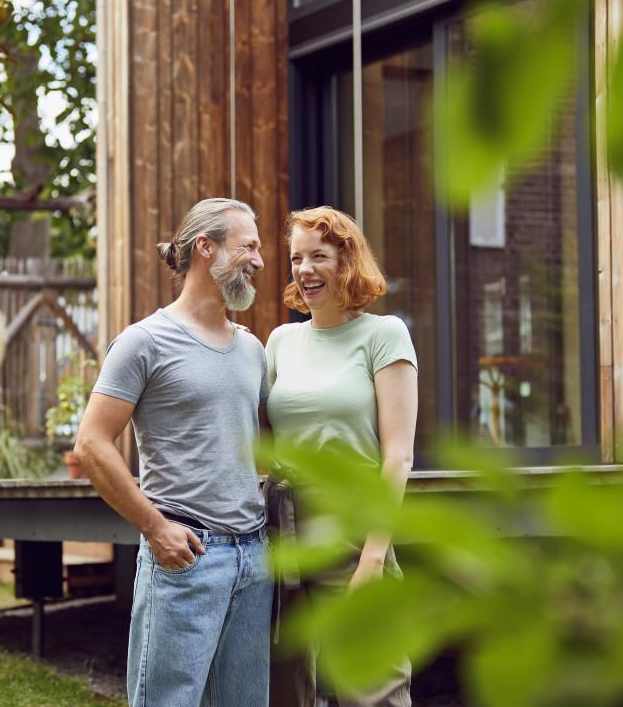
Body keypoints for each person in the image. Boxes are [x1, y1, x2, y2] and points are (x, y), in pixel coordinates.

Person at [74, 197, 273, 707]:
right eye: (248, 246)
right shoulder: (145, 342)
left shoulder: (252, 348)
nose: (259, 259)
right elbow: (92, 444)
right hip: (187, 556)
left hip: (253, 557)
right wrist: (154, 527)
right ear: (206, 248)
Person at [263, 206, 417, 707]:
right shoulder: (281, 342)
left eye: (318, 257)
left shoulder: (383, 335)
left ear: (346, 261)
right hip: (281, 530)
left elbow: (398, 459)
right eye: (295, 259)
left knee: (373, 687)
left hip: (353, 527)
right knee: (283, 688)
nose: (304, 270)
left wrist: (373, 556)